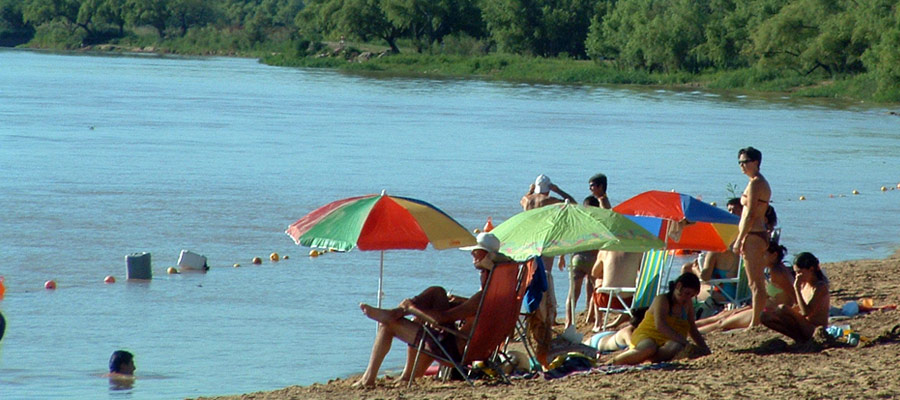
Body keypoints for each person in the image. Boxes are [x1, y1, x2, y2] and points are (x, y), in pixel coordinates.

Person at [353, 232, 512, 388]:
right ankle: (406, 370)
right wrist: (460, 302)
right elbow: (474, 312)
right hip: (473, 347)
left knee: (388, 325)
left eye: (476, 252)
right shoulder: (497, 296)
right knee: (437, 292)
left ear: (487, 257)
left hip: (454, 351)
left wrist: (411, 307)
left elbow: (441, 319)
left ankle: (369, 378)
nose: (472, 254)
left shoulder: (482, 298)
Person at [610, 273, 710, 365]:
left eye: (692, 296)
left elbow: (692, 328)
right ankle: (614, 362)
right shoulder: (662, 300)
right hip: (648, 335)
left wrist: (704, 348)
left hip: (670, 339)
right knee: (649, 347)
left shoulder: (687, 304)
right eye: (687, 293)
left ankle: (648, 360)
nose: (688, 298)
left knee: (675, 346)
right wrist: (684, 341)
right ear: (678, 286)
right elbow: (660, 325)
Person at [697, 241, 794, 333]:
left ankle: (693, 332)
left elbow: (794, 298)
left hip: (768, 312)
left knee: (722, 322)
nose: (757, 258)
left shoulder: (778, 273)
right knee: (722, 315)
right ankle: (690, 326)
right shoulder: (775, 270)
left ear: (774, 255)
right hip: (760, 307)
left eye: (762, 255)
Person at [520, 175, 575, 328]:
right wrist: (559, 190)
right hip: (545, 240)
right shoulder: (549, 201)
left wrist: (530, 190)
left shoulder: (527, 200)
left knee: (530, 276)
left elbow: (522, 200)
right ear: (548, 189)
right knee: (546, 276)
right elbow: (572, 203)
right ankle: (547, 313)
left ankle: (532, 310)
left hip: (529, 241)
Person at [733, 146, 772, 328]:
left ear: (755, 162)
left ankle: (755, 322)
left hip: (753, 234)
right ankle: (757, 319)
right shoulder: (755, 182)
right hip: (756, 234)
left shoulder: (756, 183)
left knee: (755, 283)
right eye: (739, 162)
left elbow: (749, 215)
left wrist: (740, 239)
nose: (742, 166)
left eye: (745, 162)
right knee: (754, 281)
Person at [762, 252, 830, 342]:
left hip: (814, 328)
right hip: (804, 325)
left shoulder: (820, 287)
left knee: (782, 309)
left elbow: (807, 312)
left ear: (811, 269)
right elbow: (800, 307)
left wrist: (796, 289)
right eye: (795, 273)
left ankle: (801, 338)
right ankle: (797, 338)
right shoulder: (804, 284)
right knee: (764, 317)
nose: (797, 276)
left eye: (799, 272)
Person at [564, 196, 600, 327]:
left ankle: (568, 322)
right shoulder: (598, 221)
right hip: (592, 258)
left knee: (573, 293)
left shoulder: (578, 221)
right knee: (595, 288)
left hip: (577, 259)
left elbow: (569, 239)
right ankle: (590, 315)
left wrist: (562, 256)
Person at [590, 251, 643, 331]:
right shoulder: (637, 251)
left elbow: (594, 273)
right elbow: (642, 271)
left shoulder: (605, 251)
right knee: (635, 280)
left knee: (598, 280)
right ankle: (617, 322)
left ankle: (598, 323)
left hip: (606, 300)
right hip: (629, 302)